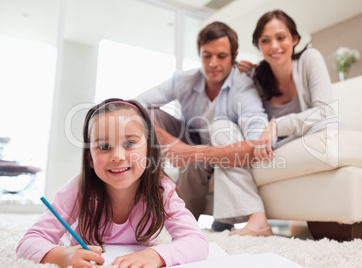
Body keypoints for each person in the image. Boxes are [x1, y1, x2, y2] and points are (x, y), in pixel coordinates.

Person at [16, 98, 208, 268]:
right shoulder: (78, 188)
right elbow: (29, 241)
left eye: (129, 144)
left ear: (149, 150)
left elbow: (197, 242)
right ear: (90, 158)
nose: (117, 156)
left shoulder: (161, 189)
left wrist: (156, 255)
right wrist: (62, 255)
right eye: (104, 147)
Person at [135, 21, 273, 236]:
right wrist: (174, 144)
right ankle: (140, 200)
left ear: (234, 55)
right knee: (146, 116)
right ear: (199, 54)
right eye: (206, 55)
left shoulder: (243, 87)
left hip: (220, 148)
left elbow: (256, 143)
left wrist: (192, 153)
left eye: (221, 56)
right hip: (189, 138)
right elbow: (134, 105)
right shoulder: (184, 80)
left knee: (214, 138)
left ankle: (184, 221)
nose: (213, 63)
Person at [237, 9, 336, 158]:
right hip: (277, 149)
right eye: (265, 40)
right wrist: (235, 69)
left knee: (331, 126)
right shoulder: (255, 77)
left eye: (281, 37)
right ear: (258, 46)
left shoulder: (309, 59)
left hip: (309, 137)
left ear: (294, 39)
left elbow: (325, 112)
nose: (274, 46)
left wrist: (276, 126)